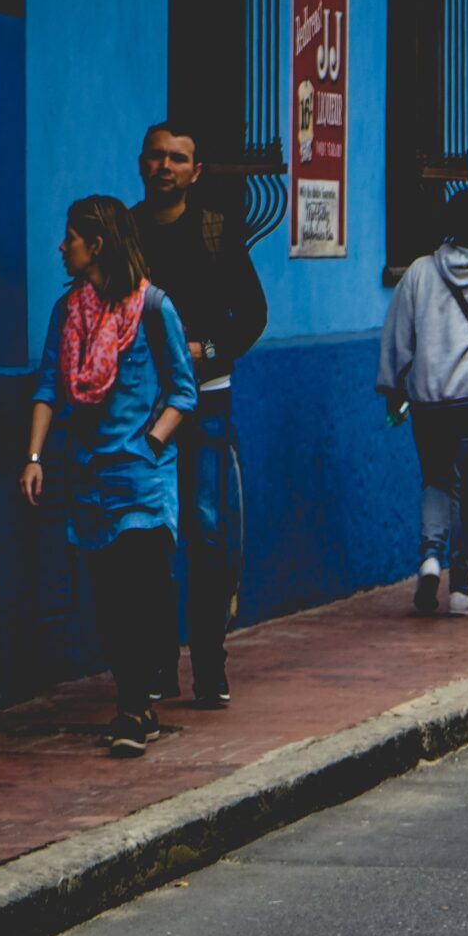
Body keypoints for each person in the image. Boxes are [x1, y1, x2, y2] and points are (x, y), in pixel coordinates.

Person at [21, 198, 200, 756]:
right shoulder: (66, 311)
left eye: (70, 237)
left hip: (142, 479)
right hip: (88, 477)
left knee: (140, 591)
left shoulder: (153, 307)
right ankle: (136, 703)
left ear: (95, 245)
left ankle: (132, 708)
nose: (61, 247)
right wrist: (34, 457)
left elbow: (183, 390)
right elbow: (49, 383)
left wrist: (152, 442)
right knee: (108, 598)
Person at [134, 122, 266, 710]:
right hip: (140, 404)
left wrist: (207, 350)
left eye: (178, 159)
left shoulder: (216, 229)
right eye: (157, 157)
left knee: (207, 531)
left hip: (208, 397)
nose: (166, 167)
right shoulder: (127, 233)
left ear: (196, 171)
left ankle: (209, 665)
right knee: (151, 536)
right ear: (143, 164)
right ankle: (160, 665)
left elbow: (253, 314)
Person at [377, 188, 468, 617]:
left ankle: (430, 556)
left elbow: (398, 337)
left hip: (428, 401)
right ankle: (461, 586)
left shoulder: (419, 273)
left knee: (435, 480)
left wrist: (394, 386)